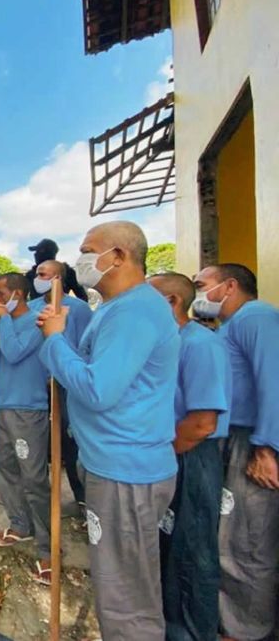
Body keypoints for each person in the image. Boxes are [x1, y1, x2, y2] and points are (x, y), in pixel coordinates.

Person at [36, 221, 179, 640]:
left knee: (126, 596)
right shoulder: (117, 308)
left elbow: (99, 389)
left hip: (126, 470)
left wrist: (56, 341)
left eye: (86, 250)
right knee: (120, 581)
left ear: (117, 256)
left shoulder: (135, 310)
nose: (78, 261)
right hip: (113, 464)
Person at [193, 263, 279, 641]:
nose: (199, 293)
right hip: (234, 438)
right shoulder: (229, 325)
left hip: (252, 442)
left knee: (249, 540)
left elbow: (273, 379)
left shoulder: (256, 318)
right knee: (229, 535)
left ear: (229, 285)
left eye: (202, 285)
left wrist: (267, 447)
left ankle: (248, 630)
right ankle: (230, 621)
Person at [149, 272, 232, 640]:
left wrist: (166, 455)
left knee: (192, 547)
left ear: (171, 302)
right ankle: (171, 622)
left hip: (190, 453)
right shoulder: (166, 342)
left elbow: (202, 422)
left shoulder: (199, 344)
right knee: (169, 543)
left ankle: (195, 630)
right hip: (170, 451)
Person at [0, 273, 52, 585]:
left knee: (34, 477)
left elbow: (14, 352)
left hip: (28, 409)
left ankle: (47, 545)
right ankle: (20, 523)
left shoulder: (38, 321)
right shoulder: (0, 322)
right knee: (5, 468)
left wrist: (4, 321)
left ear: (18, 294)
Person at [28, 260, 93, 505]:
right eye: (37, 274)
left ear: (58, 279)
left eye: (43, 274)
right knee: (38, 444)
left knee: (71, 443)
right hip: (35, 385)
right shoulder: (32, 307)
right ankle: (41, 500)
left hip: (66, 385)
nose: (38, 278)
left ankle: (83, 499)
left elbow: (84, 348)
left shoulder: (78, 309)